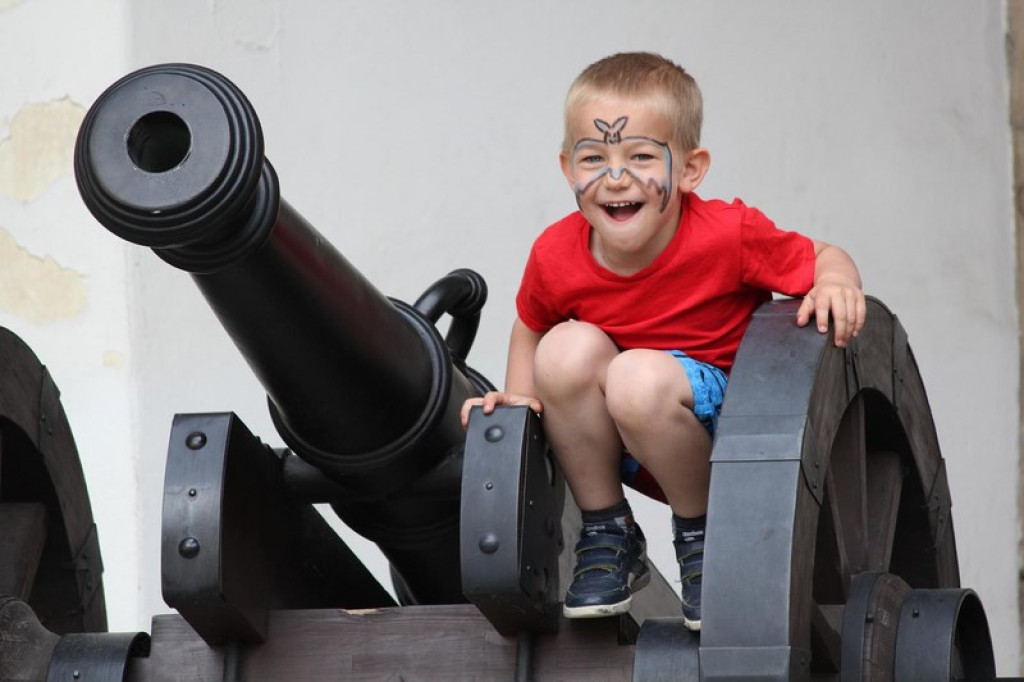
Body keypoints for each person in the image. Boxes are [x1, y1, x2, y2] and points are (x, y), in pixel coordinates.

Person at [460, 52, 865, 632]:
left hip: (729, 431)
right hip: (623, 433)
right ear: (567, 168)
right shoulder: (554, 254)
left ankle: (702, 537)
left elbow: (823, 255)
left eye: (641, 156)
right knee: (563, 349)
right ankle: (608, 528)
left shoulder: (728, 233)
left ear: (690, 169)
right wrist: (520, 399)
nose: (616, 177)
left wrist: (836, 282)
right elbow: (531, 326)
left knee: (634, 378)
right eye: (594, 158)